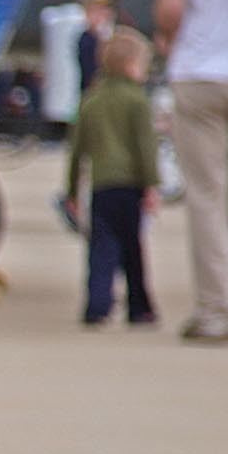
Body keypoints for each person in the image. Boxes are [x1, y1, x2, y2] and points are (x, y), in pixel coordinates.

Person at [146, 0, 228, 344]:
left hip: (201, 70)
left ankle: (218, 310)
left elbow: (172, 4)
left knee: (206, 195)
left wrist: (168, 39)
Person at [64, 28, 160, 328]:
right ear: (131, 65)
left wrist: (71, 191)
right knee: (133, 250)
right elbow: (145, 145)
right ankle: (139, 307)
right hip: (130, 186)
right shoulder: (137, 101)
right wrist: (152, 185)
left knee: (101, 250)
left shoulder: (91, 101)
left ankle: (97, 306)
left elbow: (76, 151)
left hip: (101, 187)